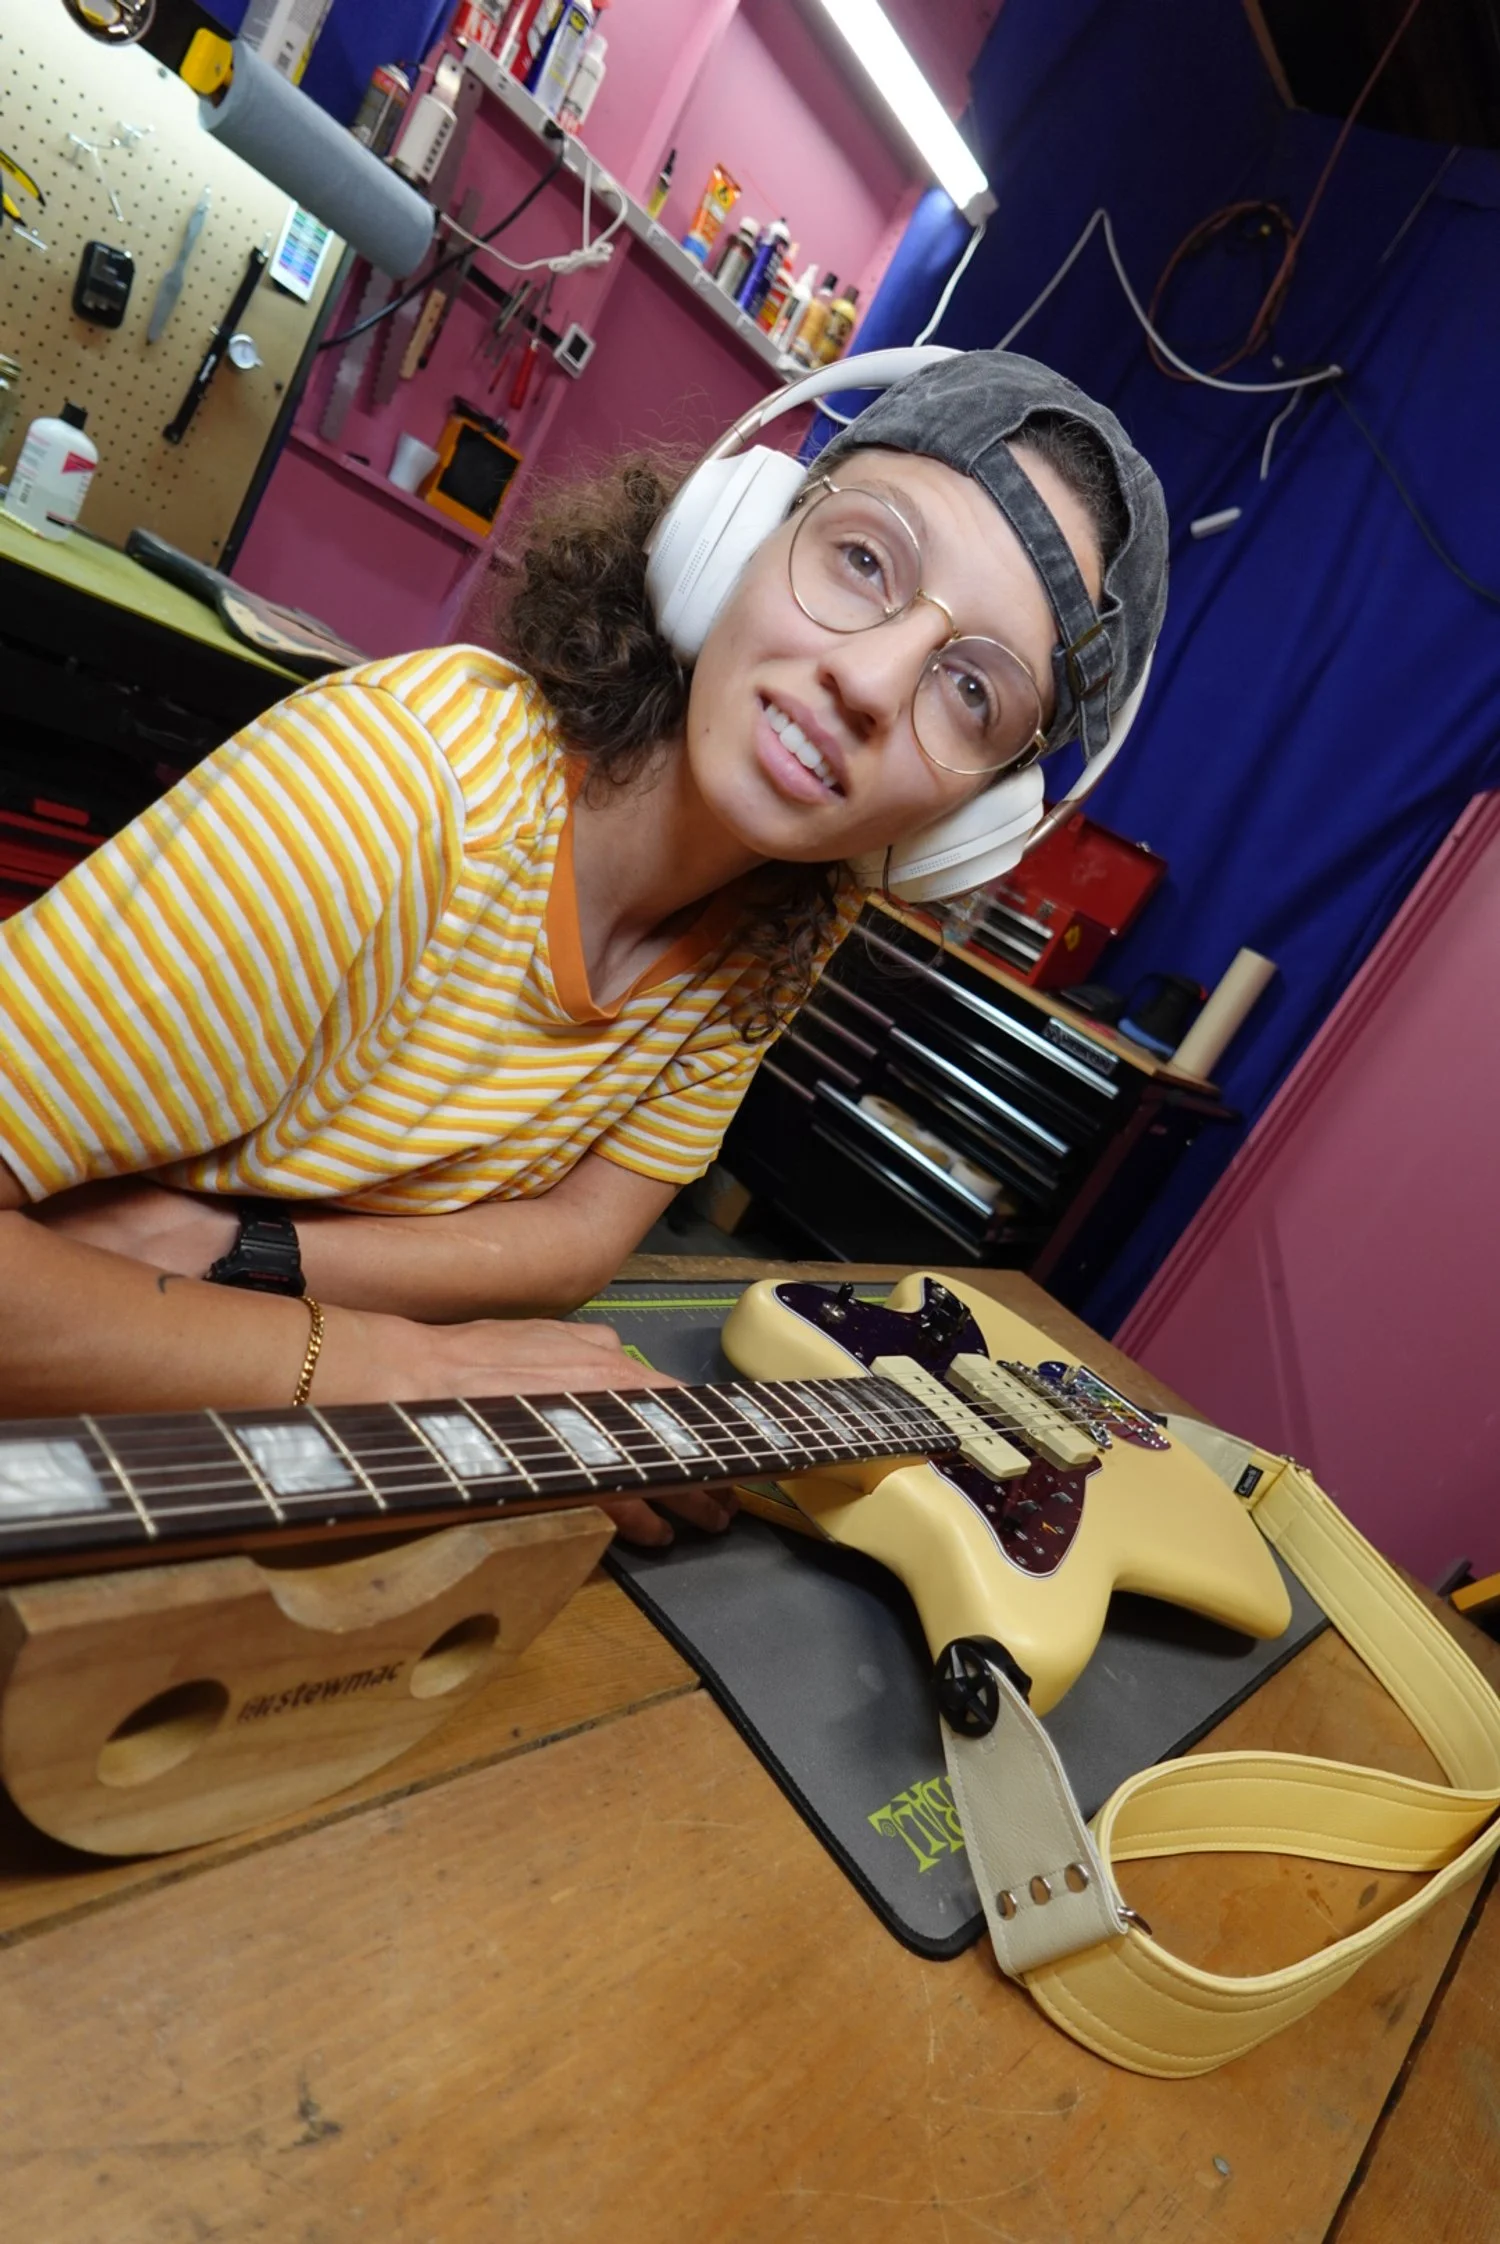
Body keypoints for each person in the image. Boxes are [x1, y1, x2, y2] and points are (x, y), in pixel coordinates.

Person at [0, 350, 1166, 1538]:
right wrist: (381, 1364)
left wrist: (234, 1251)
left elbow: (577, 1241)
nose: (870, 681)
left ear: (969, 824)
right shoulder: (395, 794)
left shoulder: (778, 931)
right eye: (864, 559)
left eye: (971, 692)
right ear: (739, 534)